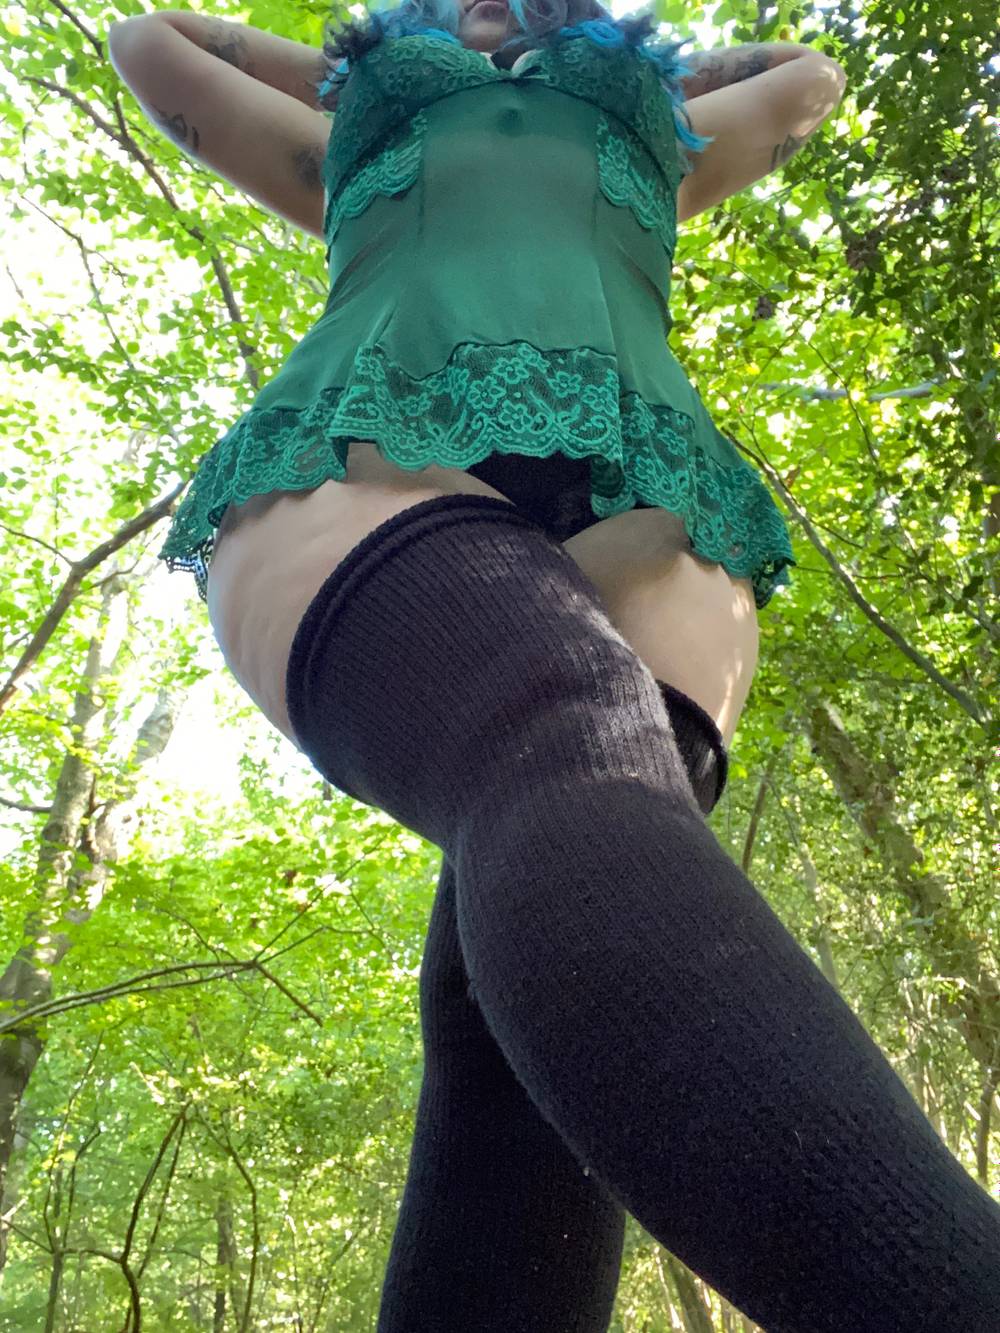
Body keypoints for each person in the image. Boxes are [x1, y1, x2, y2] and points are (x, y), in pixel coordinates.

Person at [108, 2, 1000, 1328]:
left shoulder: (660, 138)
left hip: (651, 495)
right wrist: (359, 65)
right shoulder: (354, 130)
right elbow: (147, 43)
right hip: (371, 439)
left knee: (513, 1053)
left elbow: (804, 76)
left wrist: (623, 65)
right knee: (567, 730)